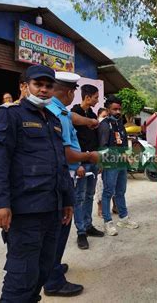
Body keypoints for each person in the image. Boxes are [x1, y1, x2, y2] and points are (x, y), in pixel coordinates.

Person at [0, 65, 75, 302]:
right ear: (24, 86)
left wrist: (66, 200)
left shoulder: (54, 120)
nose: (44, 90)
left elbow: (60, 164)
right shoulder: (9, 114)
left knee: (43, 270)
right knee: (21, 276)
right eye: (39, 85)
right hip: (25, 211)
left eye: (49, 86)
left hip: (52, 209)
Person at [43, 71, 100, 297]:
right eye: (73, 92)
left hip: (60, 175)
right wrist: (87, 157)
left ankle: (52, 267)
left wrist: (89, 121)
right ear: (68, 92)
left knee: (58, 227)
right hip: (60, 177)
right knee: (59, 228)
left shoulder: (56, 110)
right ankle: (53, 279)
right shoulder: (57, 114)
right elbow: (66, 153)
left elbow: (74, 119)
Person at [70, 84, 105, 250]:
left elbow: (96, 140)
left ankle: (89, 225)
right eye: (96, 97)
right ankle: (81, 232)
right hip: (80, 163)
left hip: (92, 161)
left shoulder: (92, 115)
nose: (97, 100)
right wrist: (77, 165)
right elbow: (70, 140)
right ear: (88, 97)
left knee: (90, 195)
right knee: (79, 197)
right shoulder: (73, 113)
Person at [98, 95, 138, 236]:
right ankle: (107, 222)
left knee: (121, 191)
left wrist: (128, 154)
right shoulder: (104, 125)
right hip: (110, 164)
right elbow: (102, 147)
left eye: (119, 109)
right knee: (108, 192)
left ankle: (123, 218)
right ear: (108, 110)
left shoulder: (120, 123)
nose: (118, 111)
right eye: (114, 109)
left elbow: (125, 141)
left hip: (121, 163)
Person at [95, 108, 108, 217]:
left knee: (111, 184)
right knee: (100, 184)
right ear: (98, 117)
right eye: (103, 116)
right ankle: (100, 208)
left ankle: (114, 206)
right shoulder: (95, 129)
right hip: (99, 158)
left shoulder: (111, 128)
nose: (105, 119)